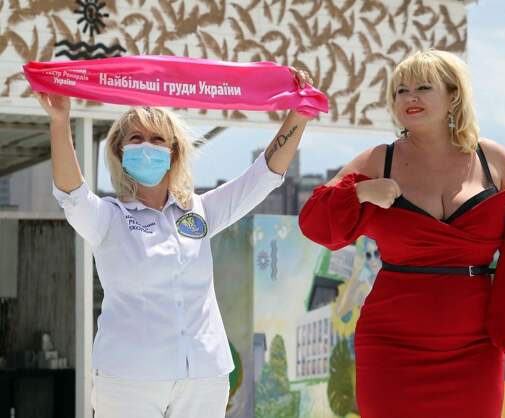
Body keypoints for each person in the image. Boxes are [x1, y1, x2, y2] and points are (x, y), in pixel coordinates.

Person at [35, 68, 313, 418]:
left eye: (157, 139)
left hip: (204, 375)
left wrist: (299, 115)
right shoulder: (108, 217)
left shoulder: (200, 211)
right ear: (120, 151)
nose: (146, 146)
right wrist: (60, 122)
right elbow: (71, 194)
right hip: (129, 379)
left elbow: (263, 177)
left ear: (174, 152)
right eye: (136, 138)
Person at [299, 49, 505, 417]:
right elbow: (313, 219)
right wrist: (360, 192)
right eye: (400, 91)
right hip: (391, 345)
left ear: (453, 95)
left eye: (423, 87)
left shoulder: (490, 157)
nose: (410, 97)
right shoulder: (379, 160)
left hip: (475, 345)